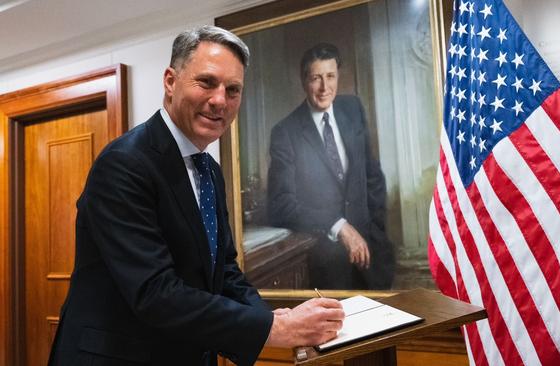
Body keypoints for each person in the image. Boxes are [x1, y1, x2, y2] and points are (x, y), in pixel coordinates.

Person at [48, 26, 344, 366]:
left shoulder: (208, 170)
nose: (220, 100)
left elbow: (224, 270)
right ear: (171, 81)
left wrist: (270, 319)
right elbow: (154, 292)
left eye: (233, 90)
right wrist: (271, 330)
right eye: (206, 82)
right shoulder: (124, 163)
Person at [267, 43, 395, 290]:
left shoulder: (353, 108)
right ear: (304, 81)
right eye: (316, 78)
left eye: (330, 76)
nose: (325, 88)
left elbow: (372, 176)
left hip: (373, 255)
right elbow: (280, 205)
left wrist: (376, 231)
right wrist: (339, 227)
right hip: (326, 266)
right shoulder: (285, 132)